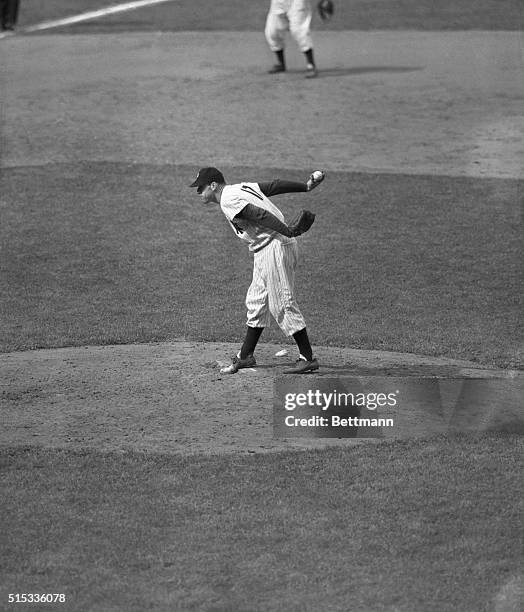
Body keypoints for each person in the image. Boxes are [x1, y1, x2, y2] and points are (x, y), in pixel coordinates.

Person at [190, 167, 325, 374]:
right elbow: (274, 186)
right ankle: (245, 356)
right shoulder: (240, 188)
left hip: (275, 246)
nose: (199, 191)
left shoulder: (228, 199)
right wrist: (305, 187)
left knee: (282, 303)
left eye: (201, 187)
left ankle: (307, 358)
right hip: (265, 249)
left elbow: (259, 214)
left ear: (213, 185)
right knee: (257, 301)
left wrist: (286, 230)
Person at [265, 0, 318, 78]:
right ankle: (281, 64)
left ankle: (311, 65)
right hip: (278, 3)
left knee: (299, 31)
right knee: (272, 31)